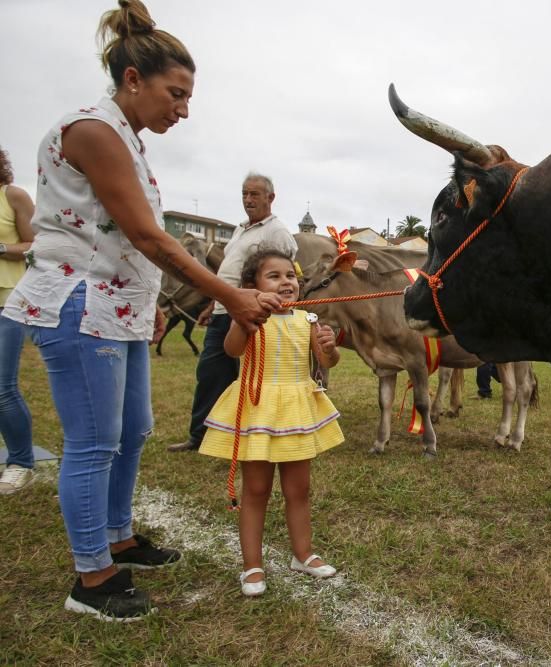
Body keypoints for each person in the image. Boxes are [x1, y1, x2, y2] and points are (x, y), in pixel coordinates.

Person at [1, 0, 278, 621]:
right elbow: (152, 236)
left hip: (117, 306)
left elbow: (126, 241)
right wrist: (229, 294)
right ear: (133, 80)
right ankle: (91, 577)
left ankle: (120, 537)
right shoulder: (93, 130)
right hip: (79, 304)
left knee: (134, 431)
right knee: (94, 442)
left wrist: (148, 300)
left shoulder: (127, 138)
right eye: (175, 94)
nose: (182, 110)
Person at [198, 248, 344, 596]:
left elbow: (327, 361)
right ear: (252, 286)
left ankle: (303, 554)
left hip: (295, 412)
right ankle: (252, 566)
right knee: (256, 490)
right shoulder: (250, 318)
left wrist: (330, 346)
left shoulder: (306, 320)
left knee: (299, 489)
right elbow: (233, 350)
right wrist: (241, 316)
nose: (286, 282)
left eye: (291, 276)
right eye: (274, 276)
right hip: (259, 409)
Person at [168, 173, 297, 452]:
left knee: (248, 378)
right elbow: (228, 274)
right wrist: (210, 306)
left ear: (270, 198)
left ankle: (250, 437)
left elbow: (283, 275)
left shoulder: (277, 232)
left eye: (255, 194)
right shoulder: (240, 230)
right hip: (222, 309)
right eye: (245, 194)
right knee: (211, 373)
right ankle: (200, 436)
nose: (248, 200)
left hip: (251, 311)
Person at [0, 145, 37, 494]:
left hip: (6, 302)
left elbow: (36, 245)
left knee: (2, 387)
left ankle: (21, 461)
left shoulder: (12, 196)